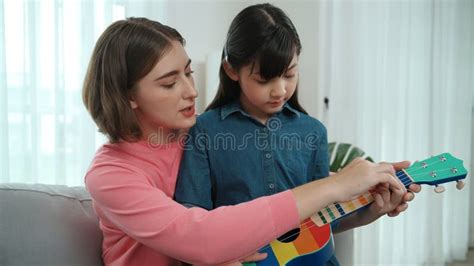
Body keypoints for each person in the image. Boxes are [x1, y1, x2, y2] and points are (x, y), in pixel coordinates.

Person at [82, 17, 414, 266]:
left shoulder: (203, 136)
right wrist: (335, 185)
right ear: (128, 97)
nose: (191, 91)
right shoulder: (110, 175)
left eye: (188, 73)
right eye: (170, 83)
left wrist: (368, 205)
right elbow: (202, 237)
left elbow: (295, 225)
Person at [174, 3, 421, 265]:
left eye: (289, 74)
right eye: (264, 79)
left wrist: (373, 211)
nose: (280, 90)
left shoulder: (313, 131)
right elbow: (192, 215)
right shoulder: (204, 130)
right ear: (232, 70)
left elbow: (322, 220)